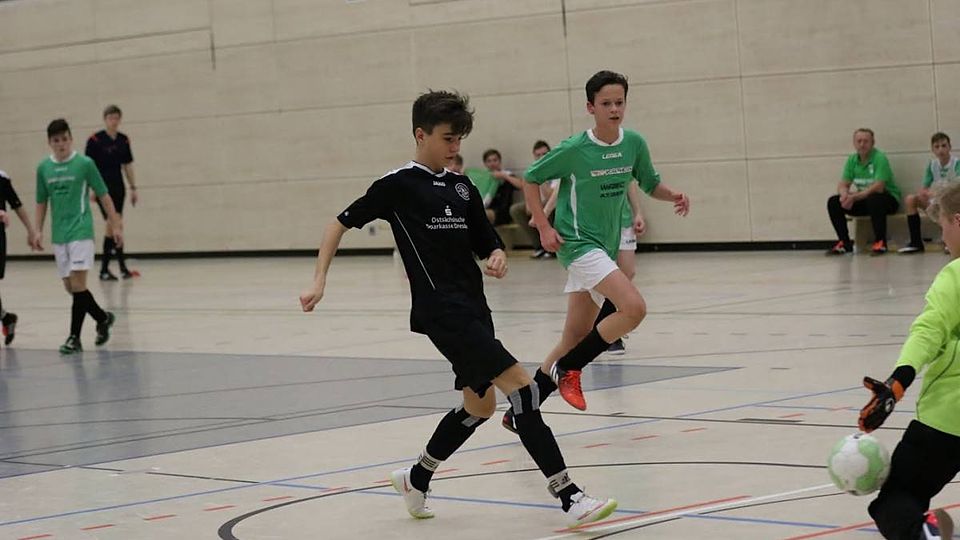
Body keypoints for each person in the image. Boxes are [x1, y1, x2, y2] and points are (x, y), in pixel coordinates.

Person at [299, 91, 616, 527]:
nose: (455, 147)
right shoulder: (397, 185)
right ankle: (570, 496)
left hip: (475, 309)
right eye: (448, 138)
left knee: (479, 406)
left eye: (459, 139)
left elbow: (486, 241)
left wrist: (497, 256)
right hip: (441, 312)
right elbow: (338, 223)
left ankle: (416, 477)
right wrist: (319, 279)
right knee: (523, 390)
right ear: (420, 134)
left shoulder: (462, 187)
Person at [503, 70, 689, 421]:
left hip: (605, 246)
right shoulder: (575, 149)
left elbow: (649, 183)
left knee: (573, 337)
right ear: (591, 107)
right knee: (634, 308)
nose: (614, 109)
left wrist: (673, 195)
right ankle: (570, 368)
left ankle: (521, 411)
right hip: (578, 244)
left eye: (619, 102)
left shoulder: (633, 143)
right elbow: (531, 177)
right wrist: (543, 226)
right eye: (606, 104)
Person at [858, 180, 960, 540]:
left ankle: (924, 536)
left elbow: (928, 330)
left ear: (959, 221)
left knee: (897, 498)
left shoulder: (955, 276)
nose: (942, 238)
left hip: (949, 418)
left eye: (943, 225)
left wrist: (897, 383)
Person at [33, 119, 121, 354]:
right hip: (59, 235)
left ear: (71, 139)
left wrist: (115, 224)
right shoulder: (43, 168)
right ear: (49, 143)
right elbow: (41, 201)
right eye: (56, 140)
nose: (61, 144)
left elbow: (104, 195)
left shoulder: (85, 164)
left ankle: (74, 338)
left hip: (81, 231)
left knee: (78, 284)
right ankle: (102, 318)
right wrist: (38, 230)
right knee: (71, 287)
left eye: (64, 139)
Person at [826, 128, 901, 255]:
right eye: (859, 141)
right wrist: (845, 196)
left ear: (872, 143)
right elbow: (843, 184)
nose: (862, 144)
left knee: (874, 199)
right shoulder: (852, 160)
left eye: (866, 141)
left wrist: (854, 197)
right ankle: (844, 243)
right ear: (854, 143)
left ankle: (880, 242)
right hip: (864, 199)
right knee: (834, 202)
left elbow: (879, 187)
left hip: (887, 200)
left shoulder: (879, 158)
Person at [85, 104, 138, 280]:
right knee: (112, 223)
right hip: (102, 187)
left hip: (118, 187)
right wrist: (92, 188)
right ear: (105, 119)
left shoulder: (123, 140)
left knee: (117, 226)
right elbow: (88, 167)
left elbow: (127, 165)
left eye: (116, 118)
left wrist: (133, 187)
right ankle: (107, 269)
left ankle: (118, 268)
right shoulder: (95, 140)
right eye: (110, 118)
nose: (113, 121)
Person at [593, 179, 646, 355]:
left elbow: (630, 182)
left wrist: (638, 212)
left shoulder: (622, 162)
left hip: (623, 219)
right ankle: (610, 335)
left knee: (628, 272)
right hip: (599, 221)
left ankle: (600, 327)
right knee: (604, 278)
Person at [899, 132, 960, 254]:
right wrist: (927, 193)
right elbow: (924, 188)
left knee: (949, 203)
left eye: (944, 146)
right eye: (937, 147)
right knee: (911, 199)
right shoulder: (932, 165)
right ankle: (916, 242)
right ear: (933, 149)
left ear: (950, 147)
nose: (941, 150)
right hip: (937, 198)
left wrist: (940, 193)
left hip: (953, 199)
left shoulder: (957, 163)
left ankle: (952, 239)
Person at [0, 169, 40, 345]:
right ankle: (6, 318)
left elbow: (16, 205)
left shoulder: (2, 178)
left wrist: (31, 231)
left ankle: (6, 318)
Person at [510, 140, 559, 258]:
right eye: (538, 155)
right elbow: (528, 194)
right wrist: (531, 207)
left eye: (544, 154)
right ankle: (538, 246)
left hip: (553, 205)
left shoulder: (556, 170)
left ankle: (551, 247)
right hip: (538, 204)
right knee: (516, 209)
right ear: (534, 156)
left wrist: (540, 178)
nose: (541, 157)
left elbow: (551, 196)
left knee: (546, 206)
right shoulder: (531, 171)